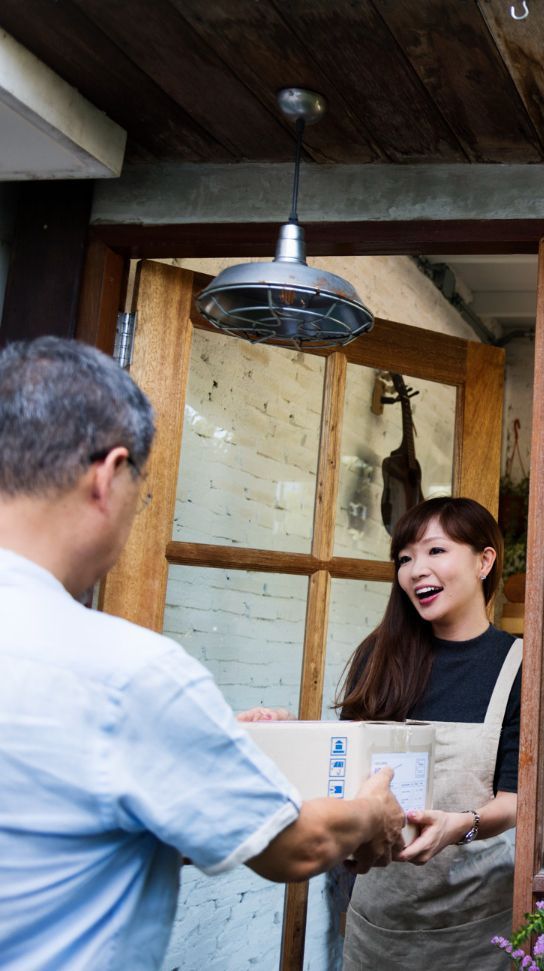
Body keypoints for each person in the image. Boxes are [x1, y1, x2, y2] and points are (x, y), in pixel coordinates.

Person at [0, 337, 406, 971]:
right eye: (145, 486)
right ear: (108, 476)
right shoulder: (127, 676)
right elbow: (295, 847)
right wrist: (371, 811)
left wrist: (204, 742)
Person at [335, 495, 524, 968]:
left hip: (481, 929)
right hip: (380, 923)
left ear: (485, 561)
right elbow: (342, 772)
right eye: (405, 557)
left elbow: (516, 797)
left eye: (435, 551)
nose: (416, 569)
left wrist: (461, 824)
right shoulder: (377, 656)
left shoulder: (519, 663)